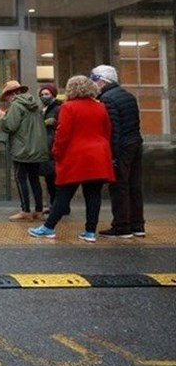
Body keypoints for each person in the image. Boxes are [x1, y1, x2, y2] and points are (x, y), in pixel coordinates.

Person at [29, 75, 115, 242]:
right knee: (93, 195)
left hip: (76, 156)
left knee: (63, 194)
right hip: (98, 155)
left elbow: (62, 134)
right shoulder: (101, 107)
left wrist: (56, 152)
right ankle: (90, 232)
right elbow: (107, 131)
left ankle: (48, 227)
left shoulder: (68, 107)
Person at [92, 64, 145, 239]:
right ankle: (137, 225)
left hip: (122, 146)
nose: (93, 84)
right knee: (134, 185)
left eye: (94, 79)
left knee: (119, 186)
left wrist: (112, 155)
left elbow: (113, 129)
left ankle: (121, 226)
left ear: (102, 81)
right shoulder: (127, 96)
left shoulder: (107, 99)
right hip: (135, 143)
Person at [0, 80, 49, 221]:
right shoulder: (34, 105)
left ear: (11, 94)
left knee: (20, 179)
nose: (7, 100)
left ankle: (25, 210)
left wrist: (2, 117)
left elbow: (11, 126)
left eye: (6, 97)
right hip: (37, 148)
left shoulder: (17, 105)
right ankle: (38, 210)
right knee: (34, 179)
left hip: (22, 148)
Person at [38, 83, 63, 214]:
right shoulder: (46, 109)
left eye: (46, 94)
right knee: (50, 178)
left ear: (53, 94)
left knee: (54, 179)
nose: (44, 96)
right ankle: (54, 204)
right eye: (42, 95)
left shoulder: (57, 109)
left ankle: (58, 206)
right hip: (47, 148)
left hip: (53, 147)